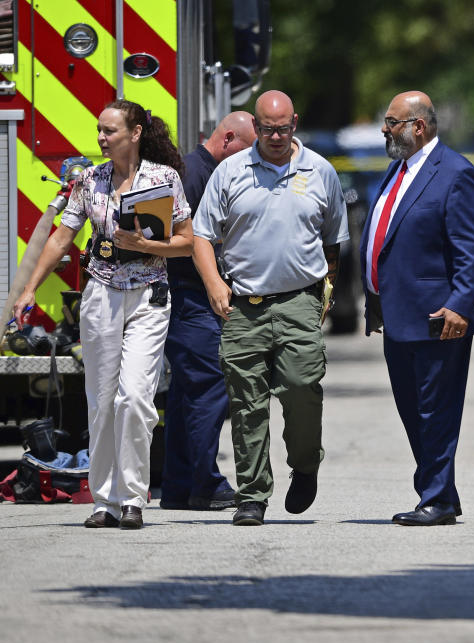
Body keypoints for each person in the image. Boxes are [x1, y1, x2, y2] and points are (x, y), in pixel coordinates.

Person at [12, 99, 193, 530]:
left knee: (134, 397)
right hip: (101, 297)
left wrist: (147, 247)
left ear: (134, 134)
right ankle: (104, 501)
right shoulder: (89, 181)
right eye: (99, 129)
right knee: (101, 401)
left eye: (109, 131)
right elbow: (61, 239)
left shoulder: (162, 180)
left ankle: (133, 496)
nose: (101, 138)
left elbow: (186, 241)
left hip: (148, 294)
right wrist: (29, 289)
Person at [192, 90, 348, 526]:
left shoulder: (320, 171)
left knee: (302, 389)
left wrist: (326, 294)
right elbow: (202, 235)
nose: (275, 136)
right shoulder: (230, 172)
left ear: (294, 122)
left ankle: (305, 463)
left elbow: (333, 241)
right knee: (246, 403)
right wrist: (214, 284)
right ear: (254, 126)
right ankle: (252, 496)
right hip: (243, 307)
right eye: (266, 129)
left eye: (283, 128)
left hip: (299, 300)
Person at [359, 91, 474, 526]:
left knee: (436, 410)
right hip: (398, 316)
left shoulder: (455, 174)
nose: (384, 129)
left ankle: (435, 498)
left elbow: (472, 251)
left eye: (391, 122)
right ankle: (443, 493)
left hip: (439, 318)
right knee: (413, 409)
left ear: (418, 126)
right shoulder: (399, 169)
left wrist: (460, 305)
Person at [160, 111, 256, 511]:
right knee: (208, 393)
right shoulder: (198, 175)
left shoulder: (194, 169)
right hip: (193, 299)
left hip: (189, 301)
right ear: (229, 138)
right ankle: (206, 484)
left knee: (187, 395)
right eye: (248, 151)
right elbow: (186, 242)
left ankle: (180, 486)